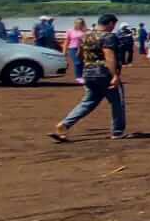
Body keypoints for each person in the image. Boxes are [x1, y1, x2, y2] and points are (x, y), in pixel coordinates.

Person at [50, 13, 126, 141]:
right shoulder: (108, 36)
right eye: (113, 25)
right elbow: (109, 56)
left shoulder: (86, 35)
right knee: (117, 103)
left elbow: (80, 54)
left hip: (88, 73)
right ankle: (117, 131)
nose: (114, 28)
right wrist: (115, 75)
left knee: (88, 103)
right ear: (110, 24)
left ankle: (65, 124)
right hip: (104, 73)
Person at [66, 18, 88, 82]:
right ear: (75, 23)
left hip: (83, 48)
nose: (79, 24)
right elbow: (67, 41)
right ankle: (78, 77)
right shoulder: (70, 31)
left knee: (83, 63)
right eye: (78, 23)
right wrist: (64, 51)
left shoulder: (85, 31)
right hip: (72, 48)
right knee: (77, 63)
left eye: (81, 23)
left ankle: (82, 76)